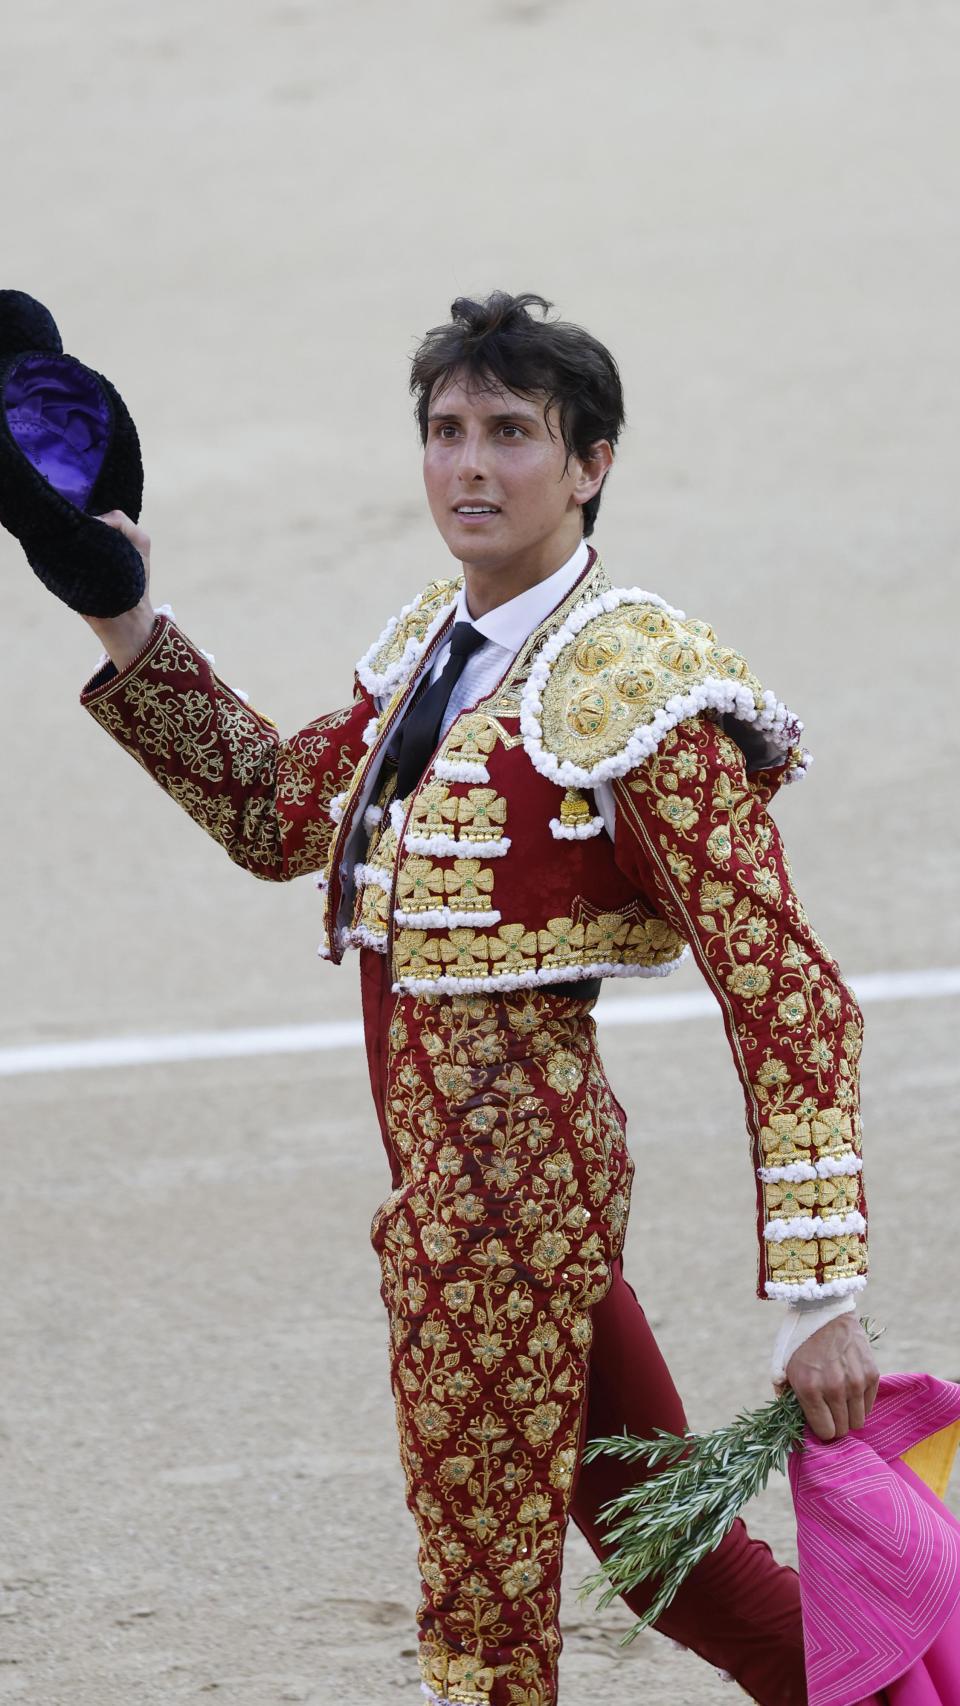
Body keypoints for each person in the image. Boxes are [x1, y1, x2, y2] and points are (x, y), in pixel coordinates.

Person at [78, 292, 878, 1706]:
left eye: (513, 432)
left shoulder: (636, 686)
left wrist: (820, 1293)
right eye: (447, 430)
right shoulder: (431, 656)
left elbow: (787, 990)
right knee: (666, 1551)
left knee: (483, 1619)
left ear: (592, 464)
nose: (471, 465)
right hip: (469, 1197)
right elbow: (276, 813)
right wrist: (122, 608)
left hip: (509, 1205)